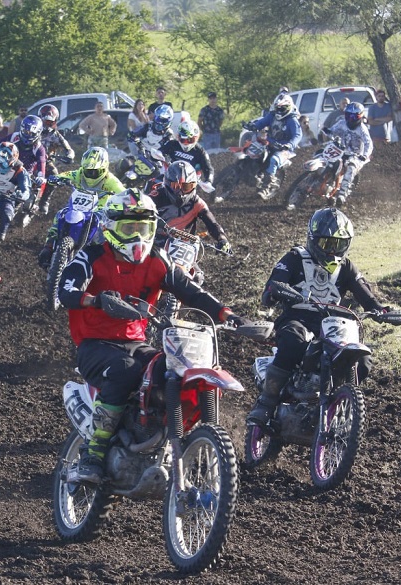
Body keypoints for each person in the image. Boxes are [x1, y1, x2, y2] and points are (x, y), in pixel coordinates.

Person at [57, 189, 251, 483]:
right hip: (95, 344)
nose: (137, 237)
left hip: (137, 343)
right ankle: (92, 454)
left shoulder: (157, 259)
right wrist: (95, 300)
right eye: (129, 228)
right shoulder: (92, 255)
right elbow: (66, 291)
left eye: (143, 229)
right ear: (110, 227)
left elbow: (191, 291)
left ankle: (158, 434)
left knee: (169, 367)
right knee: (126, 371)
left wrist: (228, 315)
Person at [247, 208, 388, 427]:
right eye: (327, 244)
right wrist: (282, 290)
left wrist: (381, 310)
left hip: (332, 324)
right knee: (294, 340)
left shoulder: (346, 267)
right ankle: (266, 402)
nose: (332, 251)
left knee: (363, 360)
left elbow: (365, 294)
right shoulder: (295, 258)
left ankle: (339, 401)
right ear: (313, 240)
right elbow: (273, 285)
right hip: (297, 318)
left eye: (338, 245)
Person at [36, 147, 126, 268]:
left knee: (106, 230)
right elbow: (66, 175)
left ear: (104, 168)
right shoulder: (79, 173)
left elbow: (123, 193)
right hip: (77, 207)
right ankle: (49, 245)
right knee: (60, 215)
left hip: (99, 210)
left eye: (94, 172)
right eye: (87, 171)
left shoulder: (111, 181)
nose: (90, 174)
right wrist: (56, 179)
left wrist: (125, 201)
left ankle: (102, 259)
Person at [150, 161, 228, 249]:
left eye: (186, 187)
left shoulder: (197, 203)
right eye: (176, 186)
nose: (180, 193)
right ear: (167, 183)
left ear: (193, 187)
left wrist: (222, 239)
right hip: (152, 244)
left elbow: (212, 224)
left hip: (180, 248)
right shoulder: (155, 197)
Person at [241, 92, 302, 200]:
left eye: (282, 108)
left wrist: (290, 144)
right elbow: (261, 123)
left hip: (284, 148)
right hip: (269, 142)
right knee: (253, 151)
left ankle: (265, 187)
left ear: (288, 108)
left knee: (273, 160)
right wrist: (253, 126)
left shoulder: (292, 120)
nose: (279, 111)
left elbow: (297, 135)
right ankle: (248, 172)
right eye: (277, 108)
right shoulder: (272, 115)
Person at [319, 102, 373, 205]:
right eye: (348, 115)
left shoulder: (362, 129)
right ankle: (316, 176)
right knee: (323, 153)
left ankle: (342, 195)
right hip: (341, 149)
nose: (350, 119)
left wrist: (365, 155)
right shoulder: (342, 123)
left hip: (356, 155)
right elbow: (333, 131)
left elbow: (368, 144)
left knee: (351, 168)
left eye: (353, 116)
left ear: (360, 116)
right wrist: (328, 131)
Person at [36, 105, 75, 214]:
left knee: (54, 174)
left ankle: (44, 200)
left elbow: (69, 149)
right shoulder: (34, 130)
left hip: (47, 161)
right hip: (31, 159)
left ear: (54, 121)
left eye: (49, 122)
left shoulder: (56, 135)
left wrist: (69, 155)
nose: (46, 125)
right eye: (44, 122)